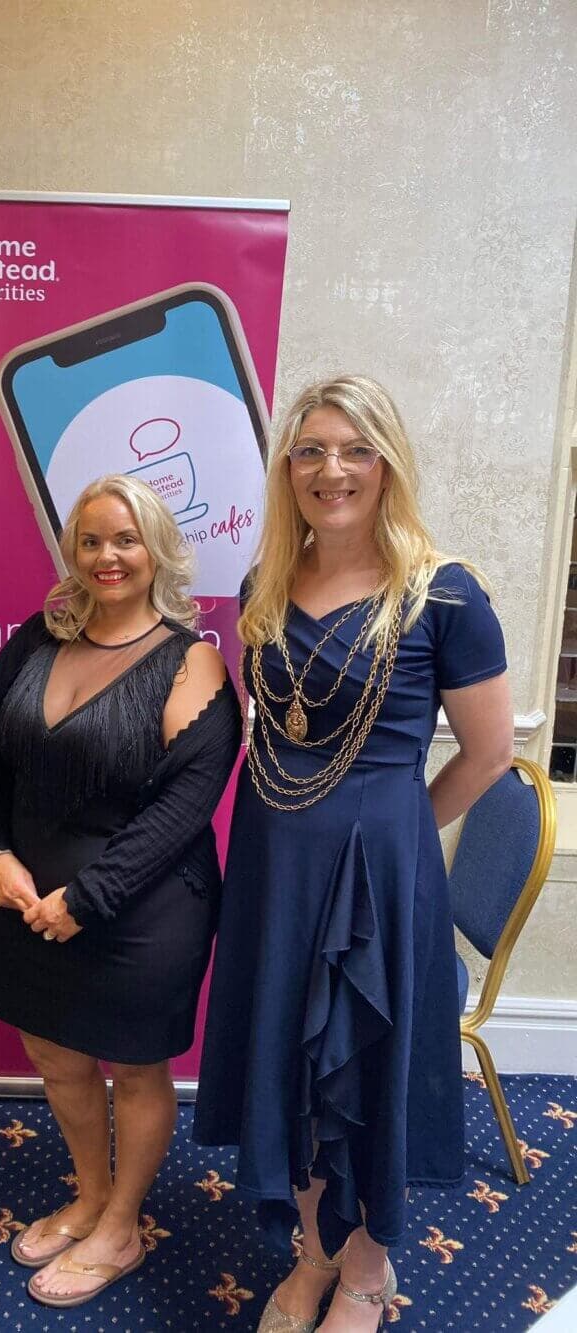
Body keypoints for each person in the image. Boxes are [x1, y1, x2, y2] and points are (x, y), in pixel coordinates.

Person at [193, 375, 513, 1332]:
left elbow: (490, 753)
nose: (331, 469)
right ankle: (310, 1254)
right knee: (291, 1061)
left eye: (354, 449)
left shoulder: (444, 593)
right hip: (274, 868)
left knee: (366, 1067)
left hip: (379, 877)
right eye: (310, 451)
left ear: (388, 463)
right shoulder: (262, 585)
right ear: (287, 468)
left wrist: (400, 825)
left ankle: (366, 1271)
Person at [0, 474, 241, 1309]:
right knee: (54, 1053)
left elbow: (183, 808)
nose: (107, 556)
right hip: (26, 902)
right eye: (91, 541)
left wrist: (84, 898)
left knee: (134, 1065)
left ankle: (121, 1223)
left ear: (156, 548)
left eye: (125, 539)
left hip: (143, 913)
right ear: (72, 552)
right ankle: (89, 1193)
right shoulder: (36, 638)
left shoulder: (191, 659)